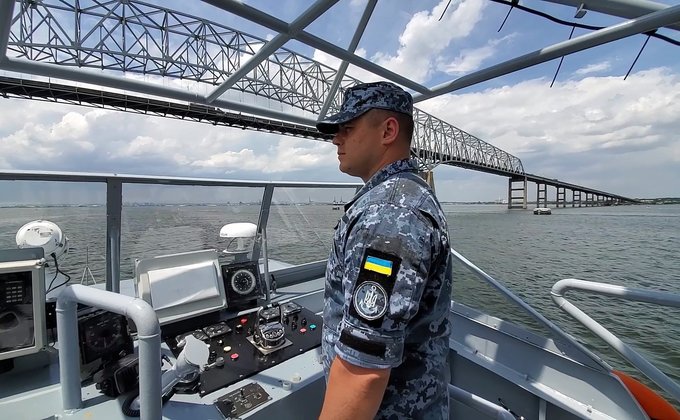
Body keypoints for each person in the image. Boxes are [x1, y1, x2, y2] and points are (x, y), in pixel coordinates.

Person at [316, 81, 453, 419]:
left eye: (347, 128)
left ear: (388, 130)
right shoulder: (406, 195)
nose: (336, 138)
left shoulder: (388, 216)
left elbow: (363, 371)